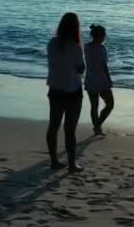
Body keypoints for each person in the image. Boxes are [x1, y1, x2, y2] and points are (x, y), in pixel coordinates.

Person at [46, 12, 85, 173]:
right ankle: (71, 164)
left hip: (55, 88)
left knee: (53, 126)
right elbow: (81, 68)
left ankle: (54, 161)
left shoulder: (52, 43)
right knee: (70, 129)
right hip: (72, 90)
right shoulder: (75, 46)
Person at [84, 24, 114, 136]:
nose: (105, 37)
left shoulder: (87, 47)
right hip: (101, 80)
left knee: (94, 106)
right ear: (101, 36)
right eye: (104, 35)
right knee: (110, 104)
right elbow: (104, 66)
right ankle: (97, 125)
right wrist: (109, 79)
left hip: (90, 79)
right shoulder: (101, 49)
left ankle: (97, 127)